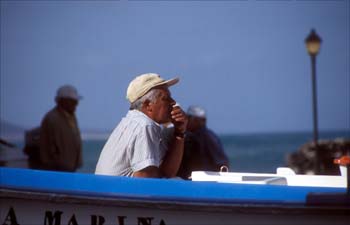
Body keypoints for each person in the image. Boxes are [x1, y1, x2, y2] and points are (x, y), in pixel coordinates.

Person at [95, 73, 188, 178]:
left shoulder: (134, 122)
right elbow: (145, 181)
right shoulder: (144, 125)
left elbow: (166, 173)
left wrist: (179, 132)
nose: (173, 102)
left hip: (108, 191)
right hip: (118, 193)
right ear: (148, 105)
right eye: (166, 98)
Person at [177, 105, 229, 179]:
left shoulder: (201, 137)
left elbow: (221, 163)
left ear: (195, 120)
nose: (186, 121)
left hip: (200, 181)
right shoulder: (210, 136)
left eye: (188, 118)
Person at [39, 85, 83, 172]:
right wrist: (58, 165)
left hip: (69, 169)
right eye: (73, 101)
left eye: (76, 101)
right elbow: (47, 149)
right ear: (62, 101)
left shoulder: (71, 117)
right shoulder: (52, 119)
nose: (76, 104)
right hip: (57, 171)